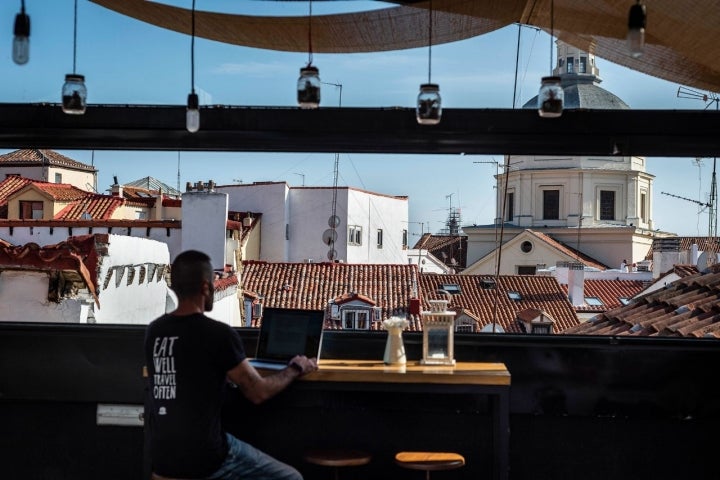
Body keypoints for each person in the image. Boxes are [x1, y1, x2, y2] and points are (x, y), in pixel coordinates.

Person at [145, 250, 317, 480]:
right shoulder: (218, 334)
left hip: (162, 458)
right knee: (291, 478)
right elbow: (259, 392)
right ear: (206, 287)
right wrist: (296, 368)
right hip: (204, 457)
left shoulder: (155, 331)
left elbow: (183, 371)